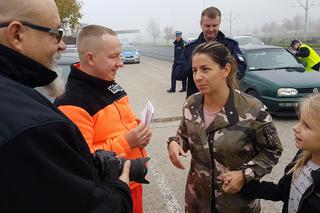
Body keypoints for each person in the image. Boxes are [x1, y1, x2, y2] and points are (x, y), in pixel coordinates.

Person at [0, 0, 132, 212]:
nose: (62, 45)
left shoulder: (18, 97)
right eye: (57, 33)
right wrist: (120, 192)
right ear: (16, 34)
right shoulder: (34, 125)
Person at [167, 41, 283, 212]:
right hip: (197, 203)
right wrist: (174, 143)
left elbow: (272, 150)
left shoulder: (252, 109)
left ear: (226, 70)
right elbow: (184, 135)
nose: (198, 76)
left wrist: (245, 175)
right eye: (194, 70)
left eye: (205, 69)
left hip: (236, 204)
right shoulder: (191, 104)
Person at [55, 25, 152, 213]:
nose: (121, 63)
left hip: (130, 185)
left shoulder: (109, 84)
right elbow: (83, 161)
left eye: (119, 55)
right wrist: (127, 142)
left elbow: (126, 121)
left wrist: (140, 130)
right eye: (113, 57)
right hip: (108, 196)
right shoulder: (73, 103)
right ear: (90, 58)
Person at [224, 94, 320, 213]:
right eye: (299, 121)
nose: (295, 127)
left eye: (307, 125)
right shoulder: (302, 157)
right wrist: (242, 184)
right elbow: (282, 191)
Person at [174, 7, 247, 98]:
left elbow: (240, 70)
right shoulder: (190, 48)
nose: (211, 29)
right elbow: (177, 74)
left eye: (214, 25)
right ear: (201, 24)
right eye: (207, 26)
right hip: (197, 102)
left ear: (219, 24)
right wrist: (195, 61)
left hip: (224, 100)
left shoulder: (230, 46)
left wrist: (218, 75)